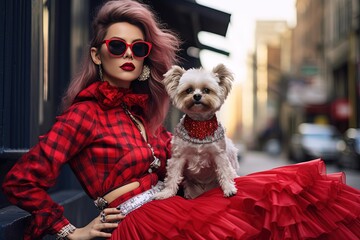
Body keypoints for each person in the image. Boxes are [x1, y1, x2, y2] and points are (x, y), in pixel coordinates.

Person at [2, 0, 360, 239]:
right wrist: (69, 230)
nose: (128, 54)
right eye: (116, 46)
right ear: (97, 54)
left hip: (169, 204)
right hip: (138, 224)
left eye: (138, 48)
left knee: (281, 196)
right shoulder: (84, 114)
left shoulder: (137, 113)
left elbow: (181, 161)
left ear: (145, 58)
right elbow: (20, 181)